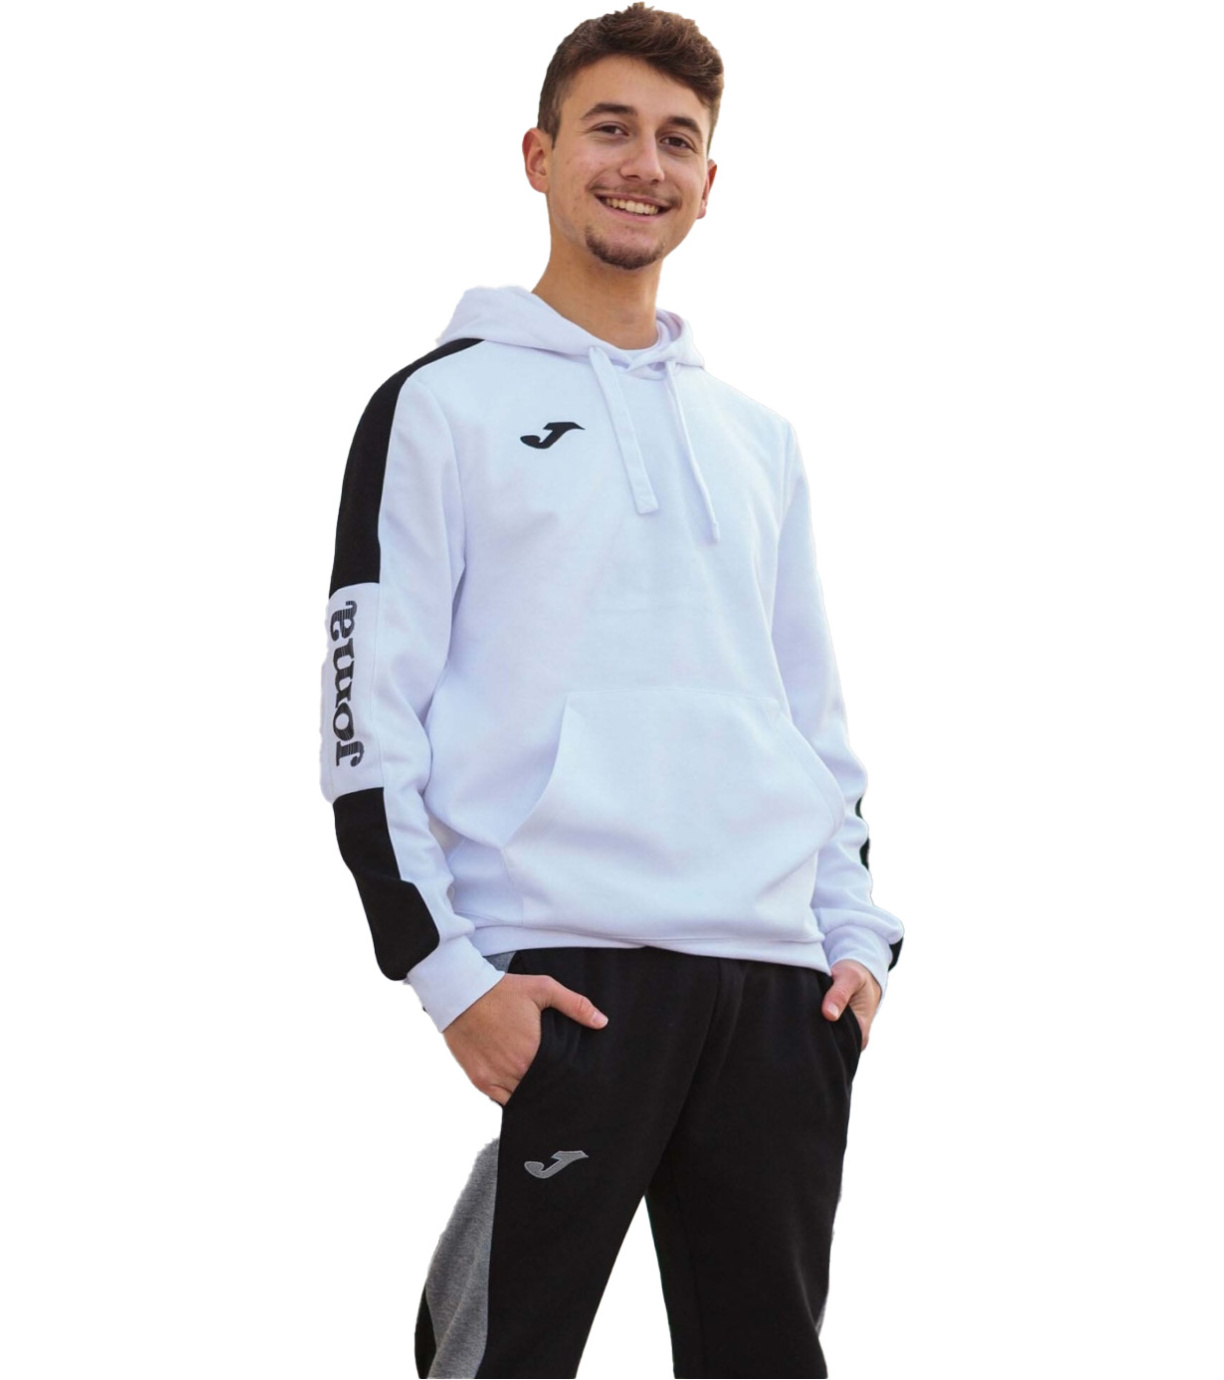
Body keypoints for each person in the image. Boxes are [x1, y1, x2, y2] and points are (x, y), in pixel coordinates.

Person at [320, 5, 904, 1375]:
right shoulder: (439, 406)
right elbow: (364, 714)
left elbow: (809, 716)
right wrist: (446, 972)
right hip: (564, 978)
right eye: (610, 129)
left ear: (710, 181)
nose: (644, 164)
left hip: (778, 993)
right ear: (539, 156)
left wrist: (859, 943)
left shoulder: (758, 439)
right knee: (501, 1362)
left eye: (677, 141)